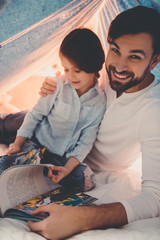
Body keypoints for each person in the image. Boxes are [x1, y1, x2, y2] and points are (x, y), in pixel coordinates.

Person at [0, 5, 160, 240]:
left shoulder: (153, 110)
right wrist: (54, 84)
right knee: (13, 123)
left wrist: (83, 217)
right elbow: (75, 72)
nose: (120, 66)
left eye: (135, 56)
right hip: (54, 124)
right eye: (115, 50)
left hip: (70, 155)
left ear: (155, 61)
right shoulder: (106, 70)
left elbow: (155, 196)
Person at [4, 28, 106, 193]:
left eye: (77, 71)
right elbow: (35, 115)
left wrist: (67, 168)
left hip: (60, 158)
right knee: (18, 157)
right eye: (66, 69)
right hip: (36, 144)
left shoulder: (99, 103)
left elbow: (86, 141)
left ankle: (44, 172)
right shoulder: (57, 85)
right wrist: (17, 144)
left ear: (94, 66)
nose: (71, 76)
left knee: (85, 180)